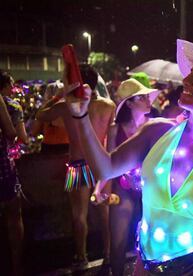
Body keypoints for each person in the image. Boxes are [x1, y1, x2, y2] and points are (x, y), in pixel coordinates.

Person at [63, 39, 193, 275]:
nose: (186, 80)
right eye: (191, 73)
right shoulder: (156, 132)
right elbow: (106, 168)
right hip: (148, 266)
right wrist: (81, 117)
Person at [36, 64, 116, 266]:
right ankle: (108, 254)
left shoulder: (66, 105)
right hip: (102, 163)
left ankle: (81, 257)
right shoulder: (109, 105)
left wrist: (61, 94)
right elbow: (111, 139)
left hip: (78, 163)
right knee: (105, 212)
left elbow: (40, 116)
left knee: (79, 215)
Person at [93, 78, 160, 276]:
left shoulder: (156, 125)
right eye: (142, 97)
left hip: (152, 188)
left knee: (151, 240)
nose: (148, 100)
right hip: (124, 188)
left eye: (148, 96)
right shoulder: (115, 129)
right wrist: (98, 188)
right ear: (129, 103)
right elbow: (110, 163)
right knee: (118, 241)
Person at [0, 70, 25, 276]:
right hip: (4, 168)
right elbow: (16, 135)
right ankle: (17, 266)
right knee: (13, 216)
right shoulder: (11, 105)